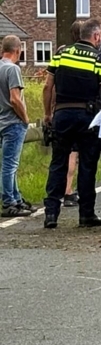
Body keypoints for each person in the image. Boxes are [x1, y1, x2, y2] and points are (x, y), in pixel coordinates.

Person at [41, 18, 101, 228]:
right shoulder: (97, 57)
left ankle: (51, 214)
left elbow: (48, 87)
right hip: (87, 117)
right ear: (96, 36)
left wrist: (48, 114)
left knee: (58, 163)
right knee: (87, 165)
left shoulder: (61, 54)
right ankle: (86, 214)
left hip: (62, 114)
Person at [0, 35, 33, 217]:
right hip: (13, 122)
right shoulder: (12, 69)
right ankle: (9, 202)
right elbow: (15, 98)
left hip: (1, 121)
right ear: (18, 50)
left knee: (8, 164)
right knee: (10, 165)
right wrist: (25, 118)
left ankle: (16, 197)